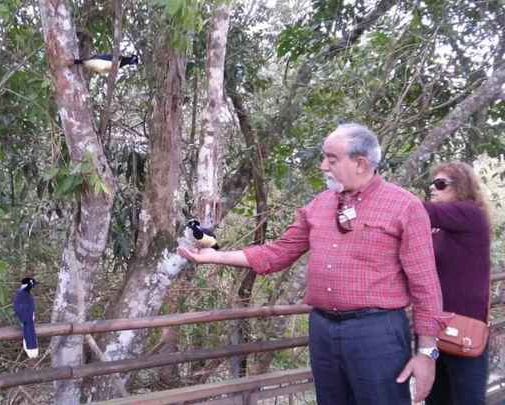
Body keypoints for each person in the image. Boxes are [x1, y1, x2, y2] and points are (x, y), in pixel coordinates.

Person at [178, 123, 443, 405]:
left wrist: (427, 354)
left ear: (360, 163)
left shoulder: (405, 206)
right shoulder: (319, 205)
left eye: (331, 159)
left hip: (377, 331)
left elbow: (425, 284)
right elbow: (276, 253)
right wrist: (215, 256)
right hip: (323, 328)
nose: (322, 166)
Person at [423, 161, 491, 405]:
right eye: (432, 184)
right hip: (434, 329)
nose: (433, 189)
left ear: (461, 188)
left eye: (440, 185)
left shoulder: (471, 214)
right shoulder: (440, 230)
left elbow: (421, 211)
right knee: (435, 398)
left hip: (464, 330)